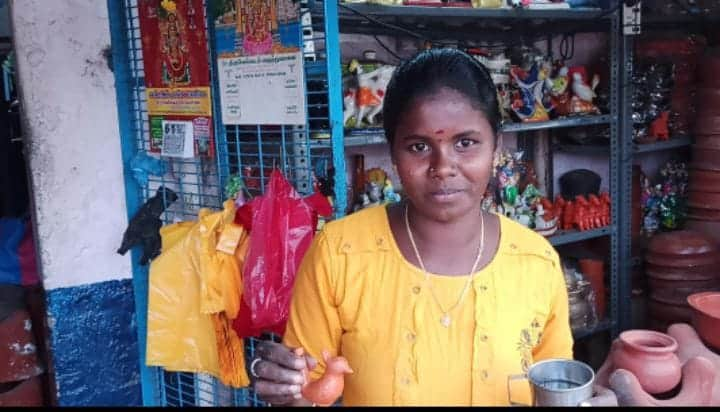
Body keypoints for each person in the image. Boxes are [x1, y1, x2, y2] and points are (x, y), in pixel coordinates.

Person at [248, 48, 580, 406]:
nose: (443, 167)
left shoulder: (536, 262)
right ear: (393, 154)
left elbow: (556, 390)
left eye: (465, 143)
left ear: (496, 148)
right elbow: (308, 390)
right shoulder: (340, 254)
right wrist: (287, 391)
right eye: (419, 147)